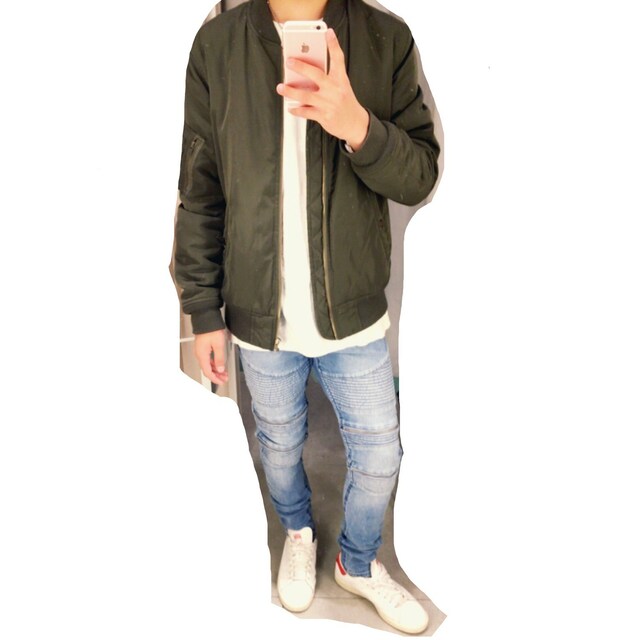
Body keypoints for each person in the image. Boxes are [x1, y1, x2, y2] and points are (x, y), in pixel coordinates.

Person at [172, 0, 440, 633]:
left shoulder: (386, 38)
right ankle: (298, 532)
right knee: (279, 444)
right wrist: (202, 311)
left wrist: (358, 126)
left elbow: (420, 177)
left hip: (355, 315)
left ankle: (357, 561)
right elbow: (200, 190)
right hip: (258, 316)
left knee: (381, 456)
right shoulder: (218, 46)